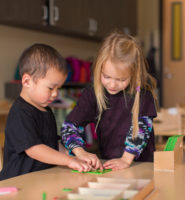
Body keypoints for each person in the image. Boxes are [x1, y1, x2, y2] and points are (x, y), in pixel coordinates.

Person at [61, 32, 158, 171]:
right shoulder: (92, 95)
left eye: (121, 80)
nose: (112, 85)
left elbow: (140, 131)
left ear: (134, 74)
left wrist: (125, 159)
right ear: (99, 69)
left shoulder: (143, 96)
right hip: (111, 166)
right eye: (106, 76)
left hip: (143, 167)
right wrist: (80, 152)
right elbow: (69, 127)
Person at [0, 44, 91, 181]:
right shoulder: (20, 112)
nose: (55, 94)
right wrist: (68, 161)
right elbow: (34, 149)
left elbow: (52, 143)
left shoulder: (46, 110)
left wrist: (74, 157)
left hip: (39, 179)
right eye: (51, 88)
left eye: (58, 88)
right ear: (27, 81)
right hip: (17, 182)